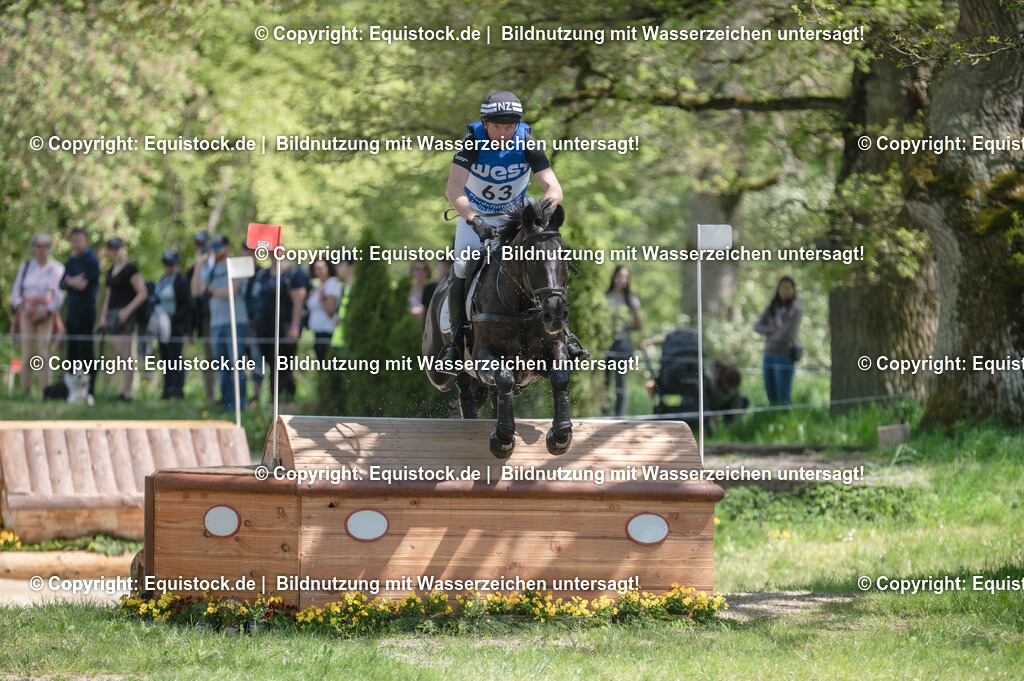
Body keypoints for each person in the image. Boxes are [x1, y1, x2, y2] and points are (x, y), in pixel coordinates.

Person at [437, 89, 587, 371]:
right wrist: (473, 220)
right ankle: (455, 344)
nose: (504, 133)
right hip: (477, 217)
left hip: (515, 218)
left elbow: (554, 189)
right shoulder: (472, 143)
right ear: (485, 124)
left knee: (547, 260)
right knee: (461, 267)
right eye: (497, 127)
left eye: (510, 126)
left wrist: (539, 211)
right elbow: (453, 188)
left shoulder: (527, 143)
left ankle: (564, 335)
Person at [192, 234, 248, 412]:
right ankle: (227, 404)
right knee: (222, 367)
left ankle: (240, 405)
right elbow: (196, 291)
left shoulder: (237, 264)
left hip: (235, 321)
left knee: (236, 364)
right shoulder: (209, 268)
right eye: (212, 247)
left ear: (228, 247)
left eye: (218, 246)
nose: (214, 250)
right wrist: (199, 266)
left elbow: (232, 290)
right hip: (216, 324)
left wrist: (211, 290)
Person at [11, 233, 65, 395]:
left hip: (46, 316)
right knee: (27, 353)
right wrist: (22, 307)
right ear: (33, 248)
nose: (41, 249)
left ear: (49, 248)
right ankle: (26, 390)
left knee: (44, 353)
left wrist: (47, 311)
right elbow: (16, 290)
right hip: (26, 314)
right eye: (38, 246)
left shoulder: (57, 268)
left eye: (45, 246)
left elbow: (59, 293)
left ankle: (45, 390)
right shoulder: (26, 266)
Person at [252, 251, 308, 399]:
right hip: (265, 329)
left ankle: (286, 400)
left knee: (283, 366)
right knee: (272, 366)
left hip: (285, 328)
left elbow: (298, 301)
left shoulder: (293, 273)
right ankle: (274, 401)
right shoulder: (263, 274)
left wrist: (294, 327)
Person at [98, 237, 147, 401]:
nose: (114, 251)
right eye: (111, 248)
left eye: (117, 248)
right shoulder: (111, 271)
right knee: (119, 355)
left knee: (126, 355)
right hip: (112, 315)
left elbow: (142, 293)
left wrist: (127, 311)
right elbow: (109, 295)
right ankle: (124, 390)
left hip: (125, 316)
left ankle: (128, 393)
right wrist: (103, 317)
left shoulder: (131, 269)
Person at [60, 226, 101, 396]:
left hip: (86, 312)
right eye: (74, 239)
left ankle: (89, 390)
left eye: (80, 239)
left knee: (86, 351)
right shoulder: (70, 262)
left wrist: (70, 281)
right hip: (72, 311)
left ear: (86, 240)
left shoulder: (91, 261)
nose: (77, 242)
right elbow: (61, 283)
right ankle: (71, 390)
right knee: (72, 351)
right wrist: (71, 281)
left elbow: (83, 283)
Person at [755, 275, 803, 405]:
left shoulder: (796, 309)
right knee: (771, 394)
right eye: (782, 287)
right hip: (768, 355)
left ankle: (785, 421)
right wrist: (772, 330)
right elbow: (758, 327)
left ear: (793, 290)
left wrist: (772, 337)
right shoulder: (772, 307)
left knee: (783, 396)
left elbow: (789, 335)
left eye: (788, 287)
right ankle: (774, 421)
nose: (785, 290)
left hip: (784, 356)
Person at [604, 265, 642, 416]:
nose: (622, 279)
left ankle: (619, 417)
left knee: (620, 383)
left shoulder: (630, 300)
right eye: (620, 275)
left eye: (626, 276)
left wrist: (625, 326)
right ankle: (604, 414)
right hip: (606, 343)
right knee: (604, 382)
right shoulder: (605, 297)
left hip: (623, 344)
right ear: (614, 276)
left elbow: (639, 325)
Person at [154, 251, 192, 399]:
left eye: (170, 264)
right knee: (165, 358)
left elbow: (188, 304)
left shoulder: (181, 282)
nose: (167, 267)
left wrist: (174, 317)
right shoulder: (163, 280)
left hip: (176, 326)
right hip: (161, 326)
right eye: (165, 264)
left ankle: (177, 389)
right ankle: (167, 388)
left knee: (176, 358)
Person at [185, 230, 217, 402]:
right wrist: (198, 266)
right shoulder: (194, 269)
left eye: (203, 244)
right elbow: (194, 293)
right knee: (210, 357)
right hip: (205, 317)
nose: (201, 248)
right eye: (198, 245)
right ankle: (211, 394)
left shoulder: (219, 263)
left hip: (222, 314)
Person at [306, 258, 341, 361]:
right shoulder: (317, 287)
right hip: (317, 332)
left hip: (327, 332)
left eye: (322, 268)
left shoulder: (332, 284)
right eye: (316, 269)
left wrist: (321, 296)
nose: (319, 271)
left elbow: (330, 311)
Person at [328, 258, 355, 358]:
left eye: (340, 264)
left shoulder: (358, 289)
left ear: (351, 266)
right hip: (338, 342)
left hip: (349, 344)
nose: (336, 267)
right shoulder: (344, 288)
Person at [408, 259, 430, 324]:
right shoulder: (406, 290)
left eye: (424, 269)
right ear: (412, 271)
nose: (421, 272)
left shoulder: (432, 289)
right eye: (418, 269)